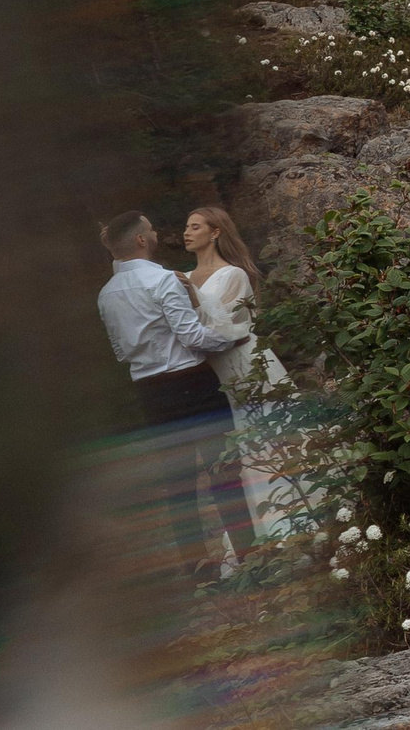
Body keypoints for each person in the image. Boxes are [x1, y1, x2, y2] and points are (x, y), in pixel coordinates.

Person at [95, 209, 252, 584]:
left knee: (178, 483)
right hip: (191, 381)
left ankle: (201, 575)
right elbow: (192, 336)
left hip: (149, 391)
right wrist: (233, 338)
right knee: (224, 473)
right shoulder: (163, 281)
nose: (156, 232)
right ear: (140, 240)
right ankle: (251, 561)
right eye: (150, 228)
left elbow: (120, 351)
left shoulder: (106, 294)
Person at [182, 206, 265, 566]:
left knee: (258, 444)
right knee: (229, 458)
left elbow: (232, 326)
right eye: (186, 226)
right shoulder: (182, 275)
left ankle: (277, 529)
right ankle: (246, 543)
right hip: (208, 372)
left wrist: (191, 296)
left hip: (241, 363)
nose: (186, 232)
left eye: (195, 226)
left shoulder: (233, 275)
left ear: (215, 232)